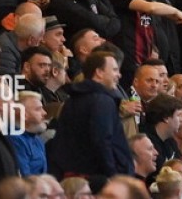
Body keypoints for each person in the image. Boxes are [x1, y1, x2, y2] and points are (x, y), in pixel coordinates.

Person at [48, 50, 134, 187]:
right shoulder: (102, 101)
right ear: (99, 72)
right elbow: (102, 140)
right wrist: (113, 176)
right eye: (114, 70)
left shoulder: (72, 100)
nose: (119, 75)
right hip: (99, 180)